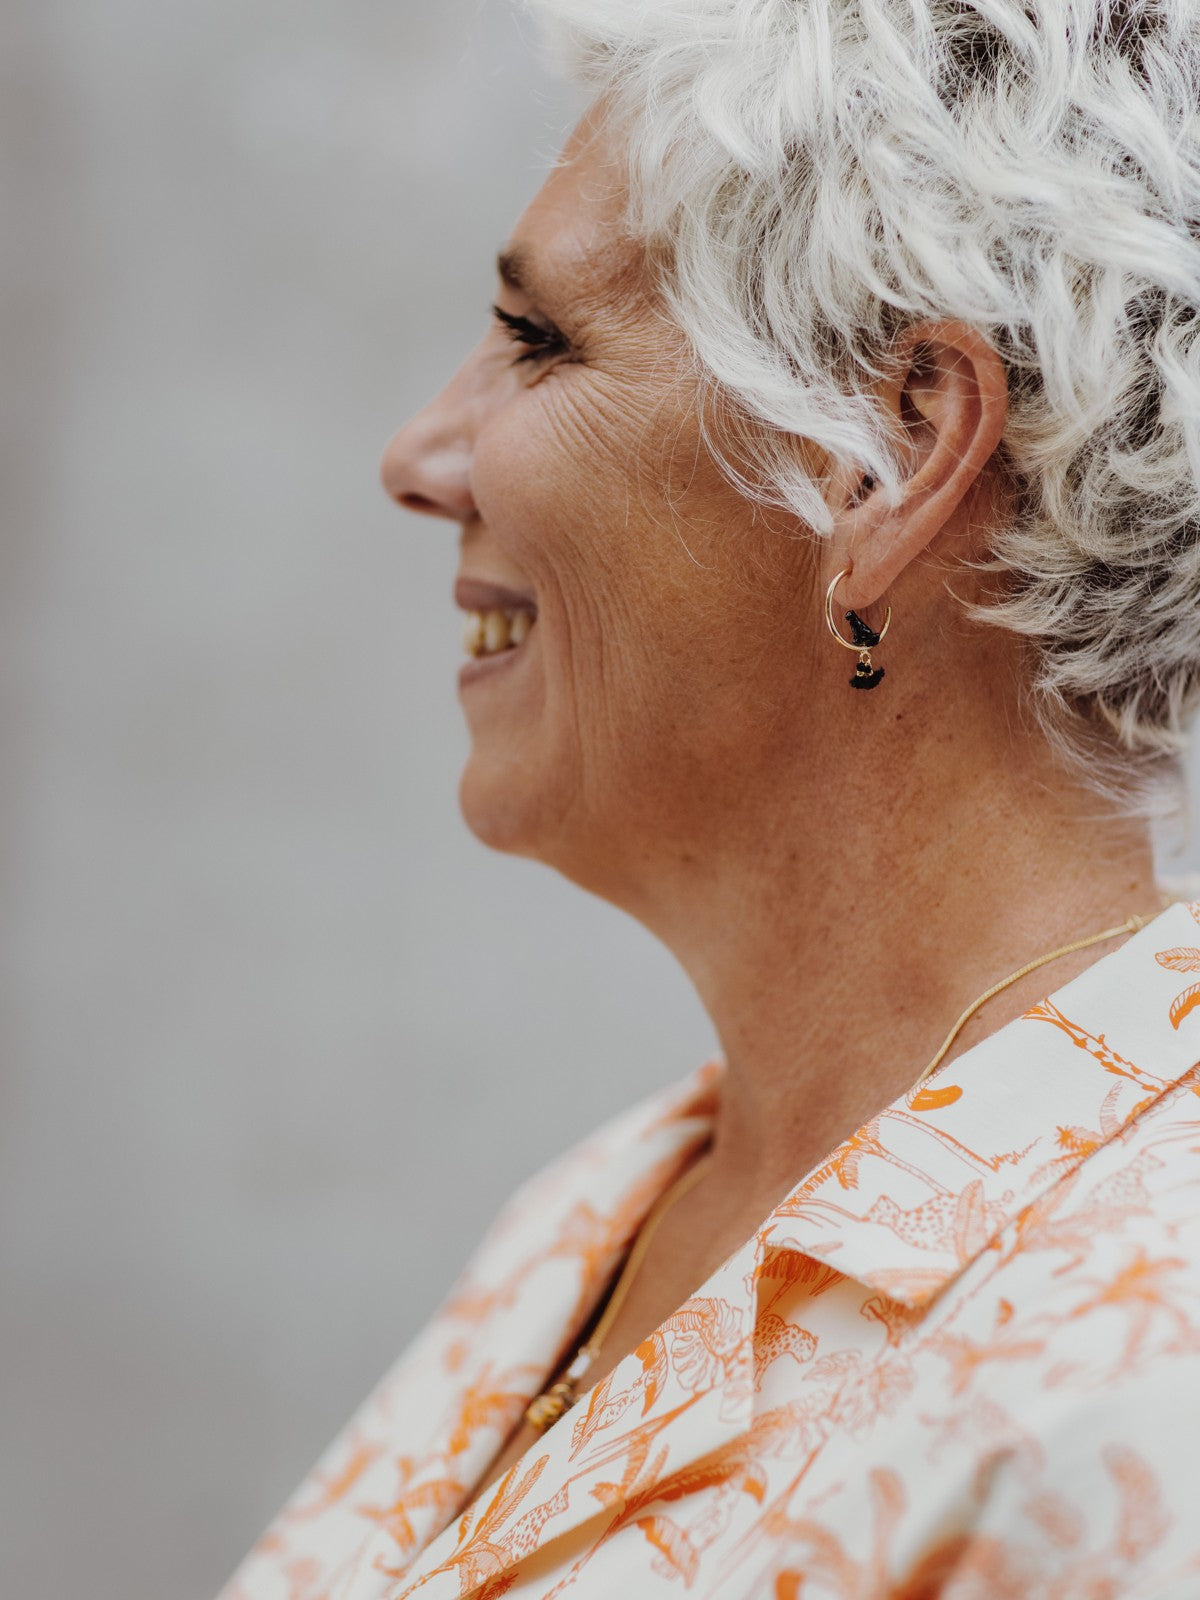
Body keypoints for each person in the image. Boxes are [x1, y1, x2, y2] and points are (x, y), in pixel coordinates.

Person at [219, 1, 1200, 1594]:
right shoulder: (607, 1204)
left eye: (540, 343)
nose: (419, 453)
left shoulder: (1147, 1373)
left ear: (890, 458)